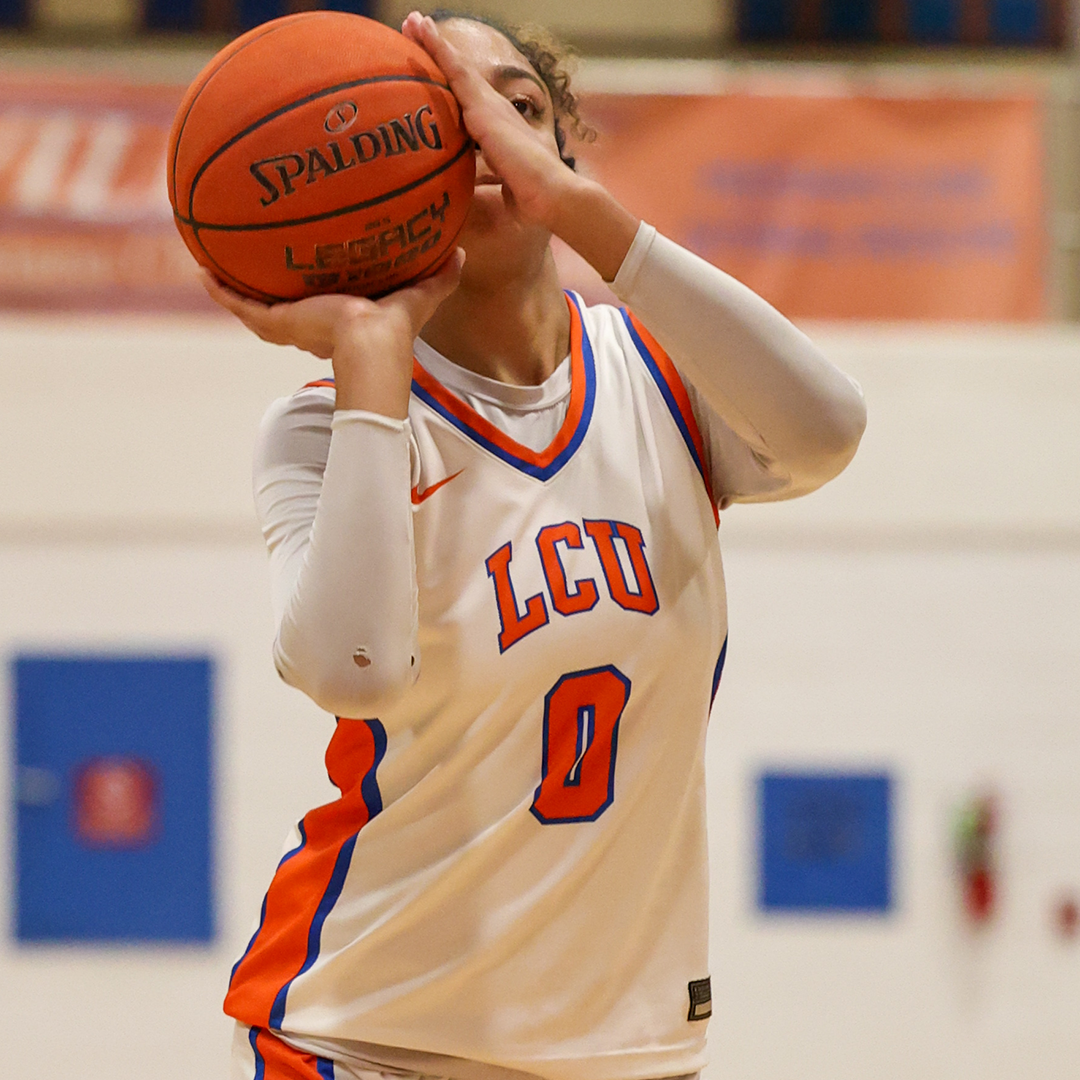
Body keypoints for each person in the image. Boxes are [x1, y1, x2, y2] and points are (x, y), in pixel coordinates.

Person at [203, 12, 867, 1080]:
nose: (486, 140)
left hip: (627, 1046)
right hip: (369, 1037)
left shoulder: (661, 373)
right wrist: (373, 355)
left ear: (561, 149)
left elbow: (826, 432)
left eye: (514, 107)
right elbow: (350, 671)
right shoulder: (330, 423)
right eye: (442, 120)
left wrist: (602, 225)